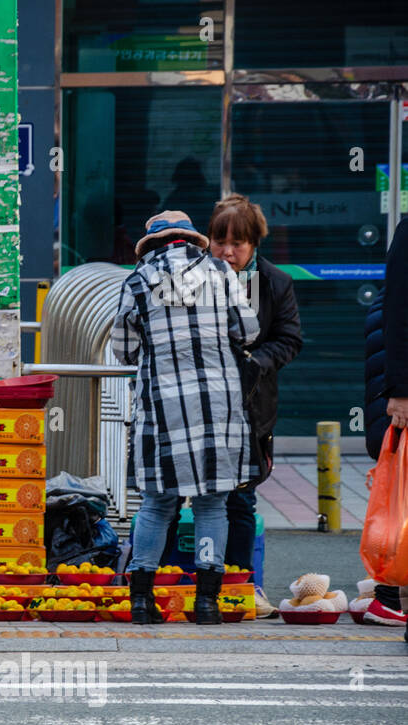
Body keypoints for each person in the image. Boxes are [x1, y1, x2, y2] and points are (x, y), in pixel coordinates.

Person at [112, 211, 259, 625]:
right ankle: (207, 603)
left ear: (154, 244)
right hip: (218, 406)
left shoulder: (138, 280)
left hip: (162, 407)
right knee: (214, 504)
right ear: (190, 240)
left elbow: (124, 349)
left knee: (157, 505)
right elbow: (247, 331)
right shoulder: (220, 272)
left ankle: (141, 601)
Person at [205, 194, 303, 618]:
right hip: (197, 408)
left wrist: (254, 362)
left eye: (237, 244)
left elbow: (290, 339)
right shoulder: (191, 277)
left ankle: (243, 584)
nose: (227, 252)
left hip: (250, 408)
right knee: (176, 499)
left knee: (240, 500)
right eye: (219, 241)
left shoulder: (276, 283)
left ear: (254, 243)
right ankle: (184, 582)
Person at [363, 215, 408, 631]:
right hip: (401, 397)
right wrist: (399, 394)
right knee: (398, 505)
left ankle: (390, 593)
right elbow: (397, 315)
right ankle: (388, 593)